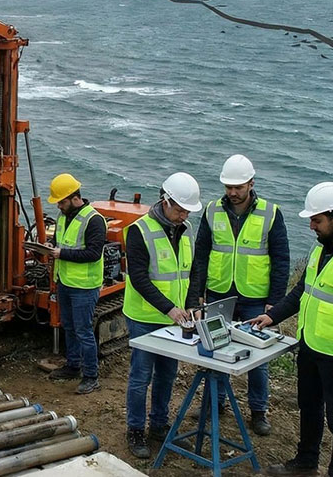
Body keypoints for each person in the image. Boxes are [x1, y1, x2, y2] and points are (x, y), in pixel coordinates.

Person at [250, 182, 333, 477]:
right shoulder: (321, 247)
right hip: (311, 346)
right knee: (309, 408)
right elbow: (302, 291)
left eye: (316, 220)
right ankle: (306, 462)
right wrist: (272, 317)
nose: (311, 226)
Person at [187, 154, 289, 435]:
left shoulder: (270, 213)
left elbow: (281, 259)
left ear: (251, 184)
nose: (232, 192)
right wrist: (197, 294)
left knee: (258, 357)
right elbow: (201, 255)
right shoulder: (212, 210)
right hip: (219, 292)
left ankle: (258, 410)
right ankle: (215, 404)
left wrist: (274, 302)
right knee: (215, 349)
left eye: (238, 187)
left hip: (256, 297)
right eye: (228, 187)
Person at [123, 172, 201, 458]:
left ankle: (158, 425)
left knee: (167, 375)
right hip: (145, 318)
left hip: (175, 319)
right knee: (141, 377)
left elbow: (192, 271)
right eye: (179, 209)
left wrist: (191, 303)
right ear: (165, 201)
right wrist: (169, 307)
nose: (183, 215)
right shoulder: (139, 231)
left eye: (187, 211)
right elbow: (139, 279)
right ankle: (135, 429)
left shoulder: (186, 229)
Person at [46, 173, 107, 394]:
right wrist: (50, 246)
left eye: (61, 202)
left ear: (74, 198)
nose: (59, 206)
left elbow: (93, 253)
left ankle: (91, 376)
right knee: (69, 327)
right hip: (65, 282)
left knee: (83, 331)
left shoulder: (94, 220)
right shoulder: (63, 217)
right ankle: (73, 365)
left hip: (84, 287)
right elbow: (59, 241)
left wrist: (61, 254)